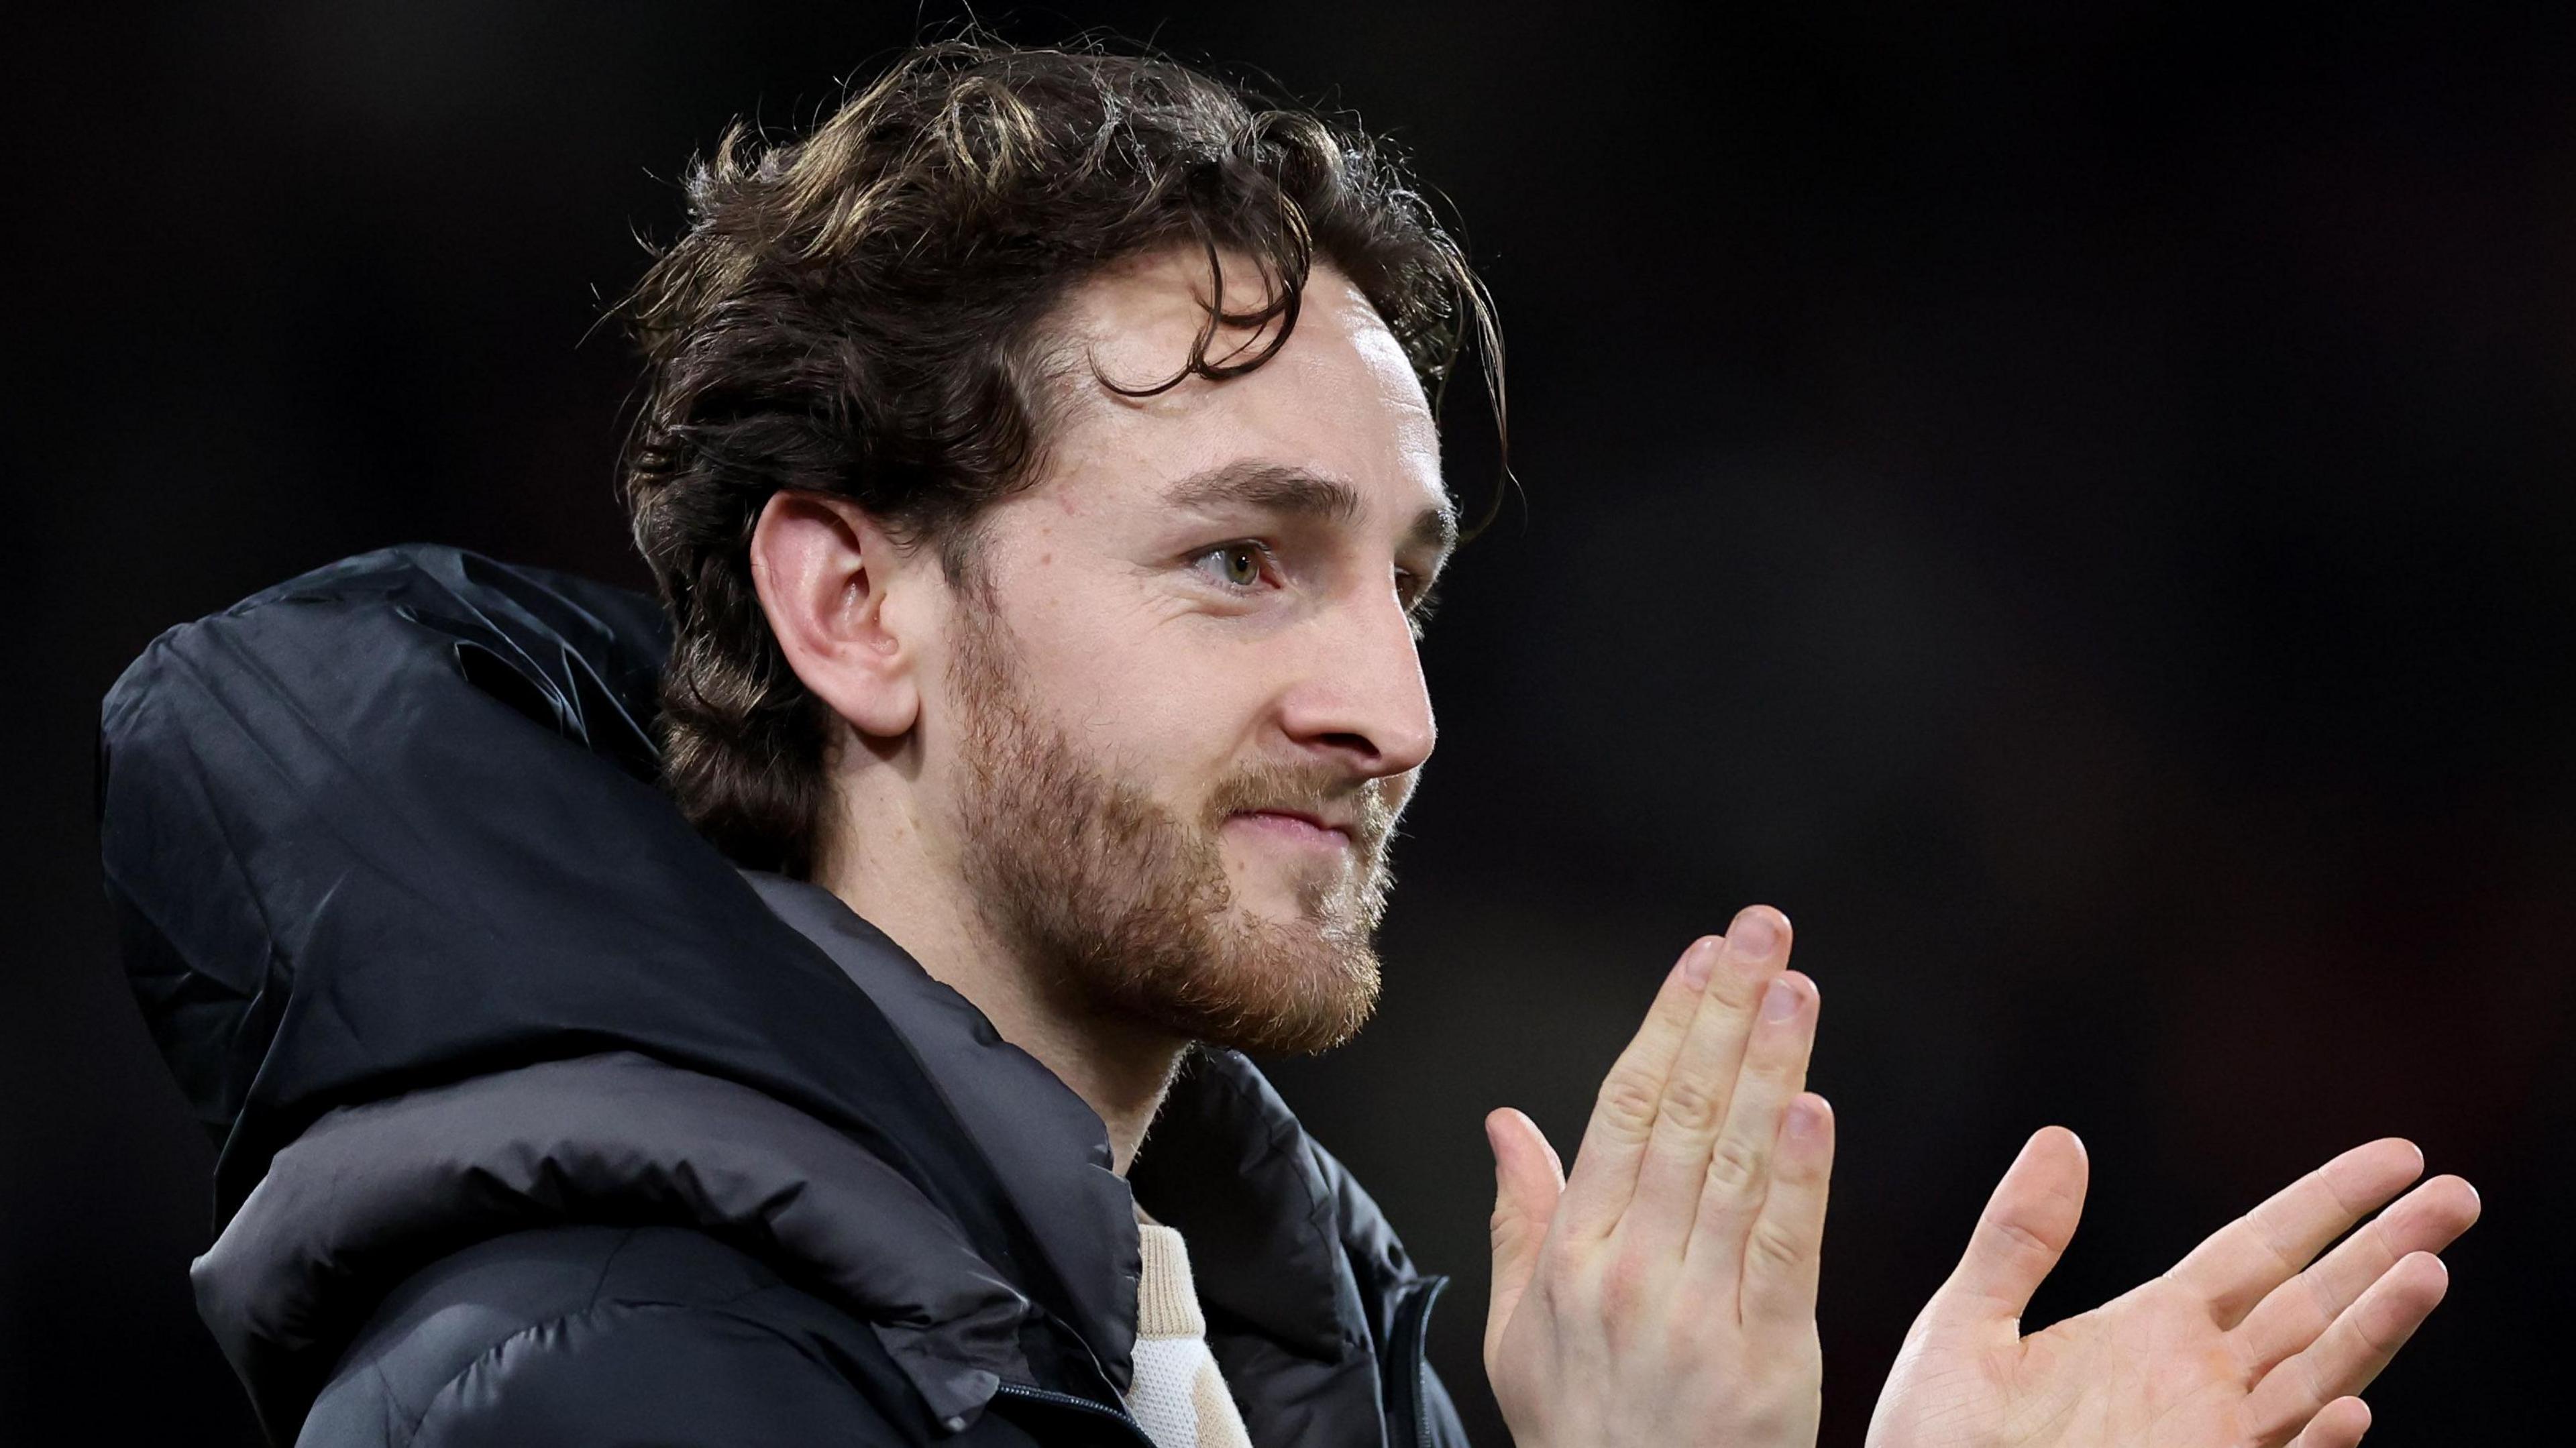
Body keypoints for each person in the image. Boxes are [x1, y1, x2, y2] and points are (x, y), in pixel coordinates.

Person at [99, 38, 2478, 1448]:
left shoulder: (1235, 1350)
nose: (1397, 711)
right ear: (850, 605)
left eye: (1407, 580)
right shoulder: (611, 1381)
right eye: (1241, 558)